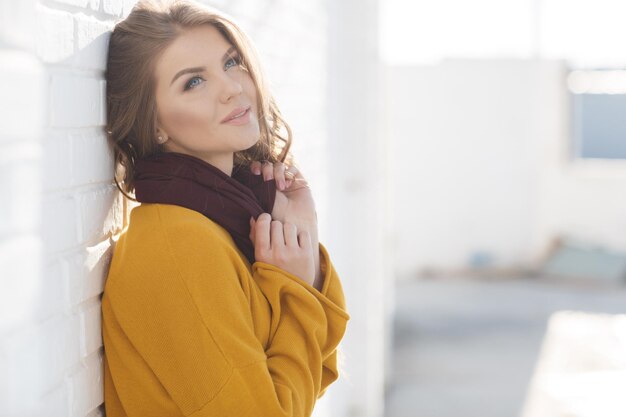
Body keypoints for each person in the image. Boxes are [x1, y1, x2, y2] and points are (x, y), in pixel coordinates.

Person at [101, 0, 350, 416]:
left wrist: (302, 230)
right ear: (156, 123)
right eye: (193, 83)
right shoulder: (179, 243)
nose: (232, 87)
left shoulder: (227, 219)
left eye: (231, 62)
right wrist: (296, 290)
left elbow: (313, 375)